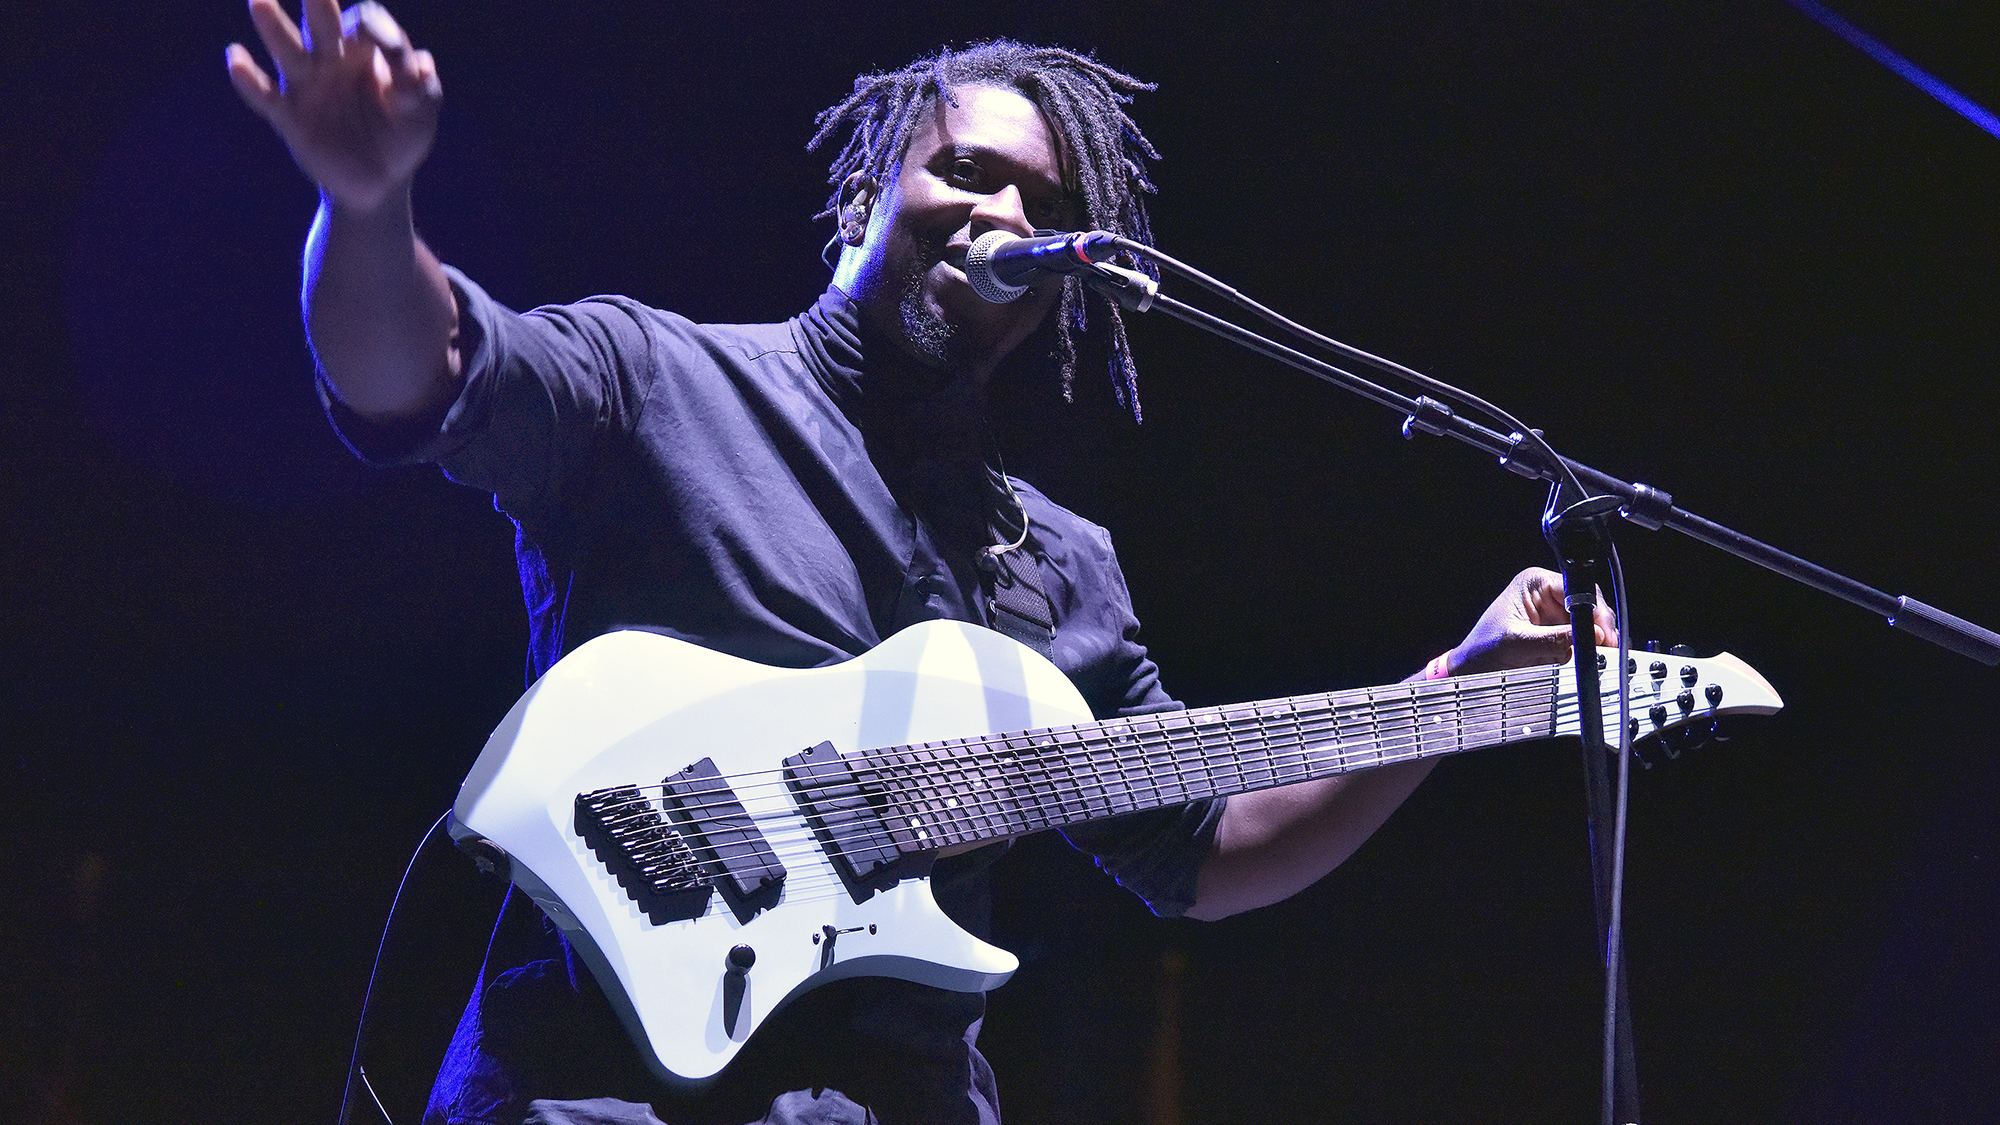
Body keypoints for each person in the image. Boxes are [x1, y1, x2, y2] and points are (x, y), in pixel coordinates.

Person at [228, 3, 1616, 1123]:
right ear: (865, 191)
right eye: (963, 170)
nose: (998, 215)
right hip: (593, 1086)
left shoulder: (1059, 569)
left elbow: (1204, 847)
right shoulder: (660, 384)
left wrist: (1460, 687)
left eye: (1038, 203)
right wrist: (367, 207)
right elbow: (418, 373)